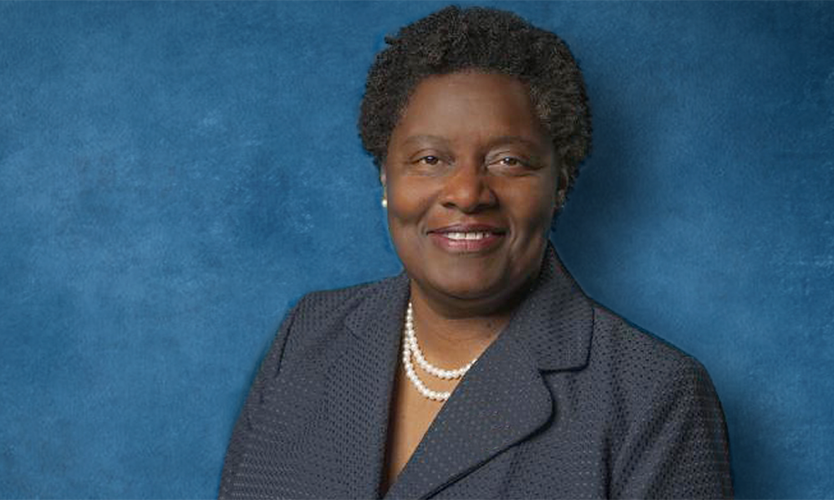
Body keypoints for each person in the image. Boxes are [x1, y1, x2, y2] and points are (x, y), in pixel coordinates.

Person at [219, 6, 733, 499]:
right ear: (385, 177)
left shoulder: (652, 396)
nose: (467, 193)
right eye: (429, 158)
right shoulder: (308, 336)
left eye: (509, 160)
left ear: (560, 182)